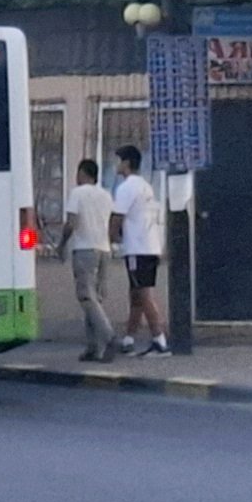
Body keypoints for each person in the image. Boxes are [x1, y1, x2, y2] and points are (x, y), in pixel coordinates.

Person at [109, 144, 168, 356]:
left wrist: (112, 238)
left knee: (143, 294)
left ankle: (159, 340)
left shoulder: (126, 187)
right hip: (150, 246)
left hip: (136, 248)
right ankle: (129, 338)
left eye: (118, 160)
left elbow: (117, 217)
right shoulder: (146, 186)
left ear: (126, 163)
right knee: (135, 294)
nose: (116, 165)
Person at [60, 157, 117, 361]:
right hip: (104, 248)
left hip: (85, 249)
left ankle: (109, 336)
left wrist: (62, 243)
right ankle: (94, 347)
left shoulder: (78, 193)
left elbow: (72, 223)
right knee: (96, 298)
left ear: (83, 173)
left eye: (78, 173)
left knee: (87, 297)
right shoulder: (106, 195)